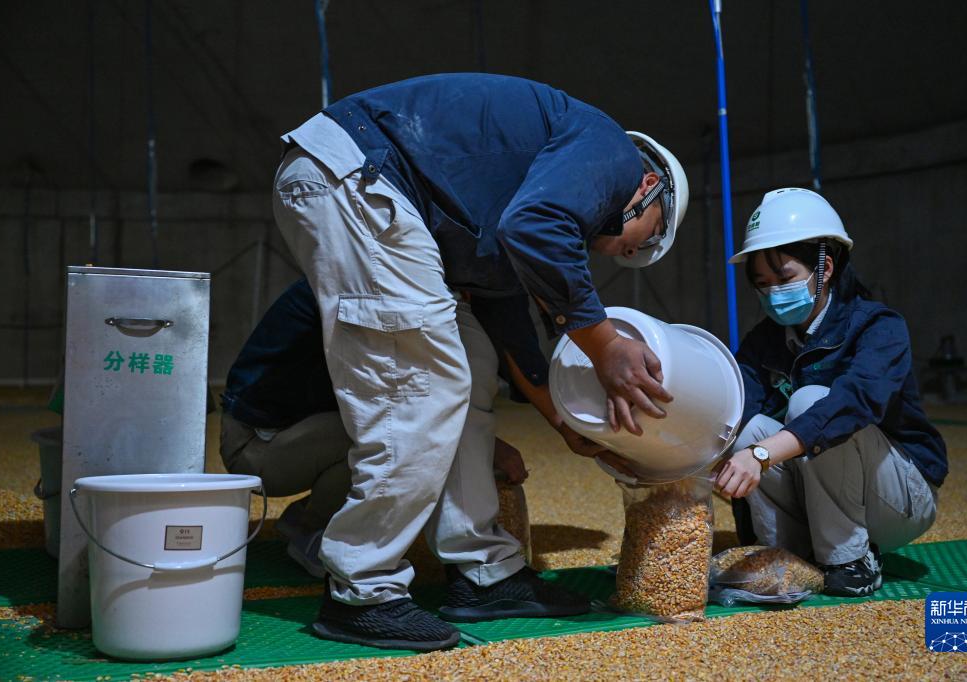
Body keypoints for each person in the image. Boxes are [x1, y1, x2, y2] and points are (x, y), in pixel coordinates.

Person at [271, 73, 688, 650]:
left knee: (468, 356)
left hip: (370, 187)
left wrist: (564, 423)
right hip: (355, 177)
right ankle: (361, 588)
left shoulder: (508, 204)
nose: (624, 251)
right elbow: (538, 227)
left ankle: (485, 572)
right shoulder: (609, 149)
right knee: (419, 383)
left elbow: (508, 321)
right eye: (644, 239)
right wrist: (606, 344)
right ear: (649, 186)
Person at [714, 188, 947, 597]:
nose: (772, 293)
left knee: (811, 404)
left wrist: (763, 455)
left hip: (898, 497)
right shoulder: (763, 342)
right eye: (762, 284)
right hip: (818, 494)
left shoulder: (878, 327)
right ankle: (782, 556)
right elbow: (734, 406)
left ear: (825, 266)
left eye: (784, 278)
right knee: (747, 431)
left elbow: (852, 403)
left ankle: (850, 560)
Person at [220, 278, 529, 579]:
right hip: (256, 445)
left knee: (398, 428)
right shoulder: (358, 292)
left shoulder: (368, 281)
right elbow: (392, 400)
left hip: (296, 431)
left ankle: (308, 516)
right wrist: (488, 445)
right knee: (393, 433)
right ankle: (316, 532)